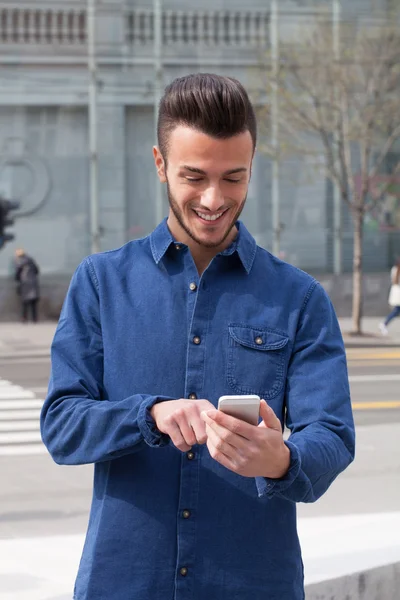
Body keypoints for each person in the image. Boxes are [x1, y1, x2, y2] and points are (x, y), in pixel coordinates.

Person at [40, 73, 355, 600]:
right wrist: (148, 415)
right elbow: (61, 425)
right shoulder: (100, 282)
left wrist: (281, 459)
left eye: (234, 178)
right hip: (123, 583)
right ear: (161, 165)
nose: (214, 198)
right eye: (195, 177)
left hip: (254, 584)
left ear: (253, 168)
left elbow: (332, 434)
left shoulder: (299, 299)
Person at [14, 248, 40, 323]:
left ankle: (24, 318)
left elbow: (17, 275)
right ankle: (34, 319)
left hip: (25, 284)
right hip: (33, 283)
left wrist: (18, 280)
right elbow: (37, 271)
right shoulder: (31, 261)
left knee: (24, 303)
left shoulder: (19, 262)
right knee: (33, 302)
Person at [379, 258, 400, 335]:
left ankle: (384, 324)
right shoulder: (397, 270)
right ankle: (384, 324)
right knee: (396, 311)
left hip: (396, 293)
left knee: (396, 311)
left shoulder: (394, 269)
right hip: (398, 294)